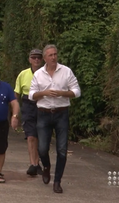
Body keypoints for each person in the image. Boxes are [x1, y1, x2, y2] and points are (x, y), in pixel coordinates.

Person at [29, 44, 81, 193]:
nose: (53, 57)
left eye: (55, 54)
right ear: (45, 58)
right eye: (50, 55)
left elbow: (77, 91)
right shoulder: (38, 74)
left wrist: (63, 93)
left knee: (62, 149)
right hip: (44, 113)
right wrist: (44, 92)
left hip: (61, 113)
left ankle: (57, 181)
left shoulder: (66, 71)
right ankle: (46, 166)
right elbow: (32, 95)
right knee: (42, 148)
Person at [14, 49, 43, 176]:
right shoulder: (23, 74)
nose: (36, 60)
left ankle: (40, 162)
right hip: (27, 105)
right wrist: (15, 113)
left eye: (38, 57)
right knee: (31, 136)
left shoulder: (46, 74)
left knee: (41, 137)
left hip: (43, 105)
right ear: (30, 59)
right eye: (34, 57)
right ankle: (33, 164)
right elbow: (16, 94)